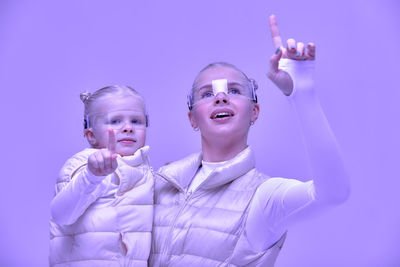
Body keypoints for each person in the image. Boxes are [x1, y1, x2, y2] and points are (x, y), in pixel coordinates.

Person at [149, 15, 350, 266]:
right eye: (206, 94)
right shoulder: (160, 184)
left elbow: (333, 193)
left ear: (254, 112)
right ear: (192, 118)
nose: (220, 98)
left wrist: (302, 92)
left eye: (234, 90)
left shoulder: (264, 199)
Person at [49, 85, 154, 267]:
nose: (128, 127)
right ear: (91, 135)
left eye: (136, 121)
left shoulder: (145, 172)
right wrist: (91, 176)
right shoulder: (85, 165)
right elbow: (61, 214)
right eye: (114, 121)